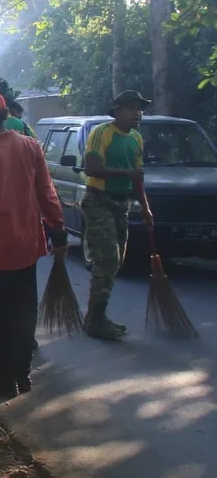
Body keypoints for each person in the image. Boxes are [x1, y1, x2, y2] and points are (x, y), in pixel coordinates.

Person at [0, 92, 68, 398]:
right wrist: (57, 231)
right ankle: (22, 375)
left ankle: (2, 379)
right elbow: (47, 192)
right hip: (28, 246)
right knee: (23, 311)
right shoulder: (30, 146)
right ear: (6, 114)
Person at [81, 90, 154, 340]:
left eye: (139, 109)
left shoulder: (136, 138)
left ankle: (97, 315)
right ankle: (95, 319)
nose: (137, 113)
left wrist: (145, 207)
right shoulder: (102, 133)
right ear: (118, 111)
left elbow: (138, 177)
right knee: (107, 259)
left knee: (117, 260)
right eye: (132, 108)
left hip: (122, 204)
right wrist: (127, 175)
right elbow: (91, 168)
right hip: (98, 201)